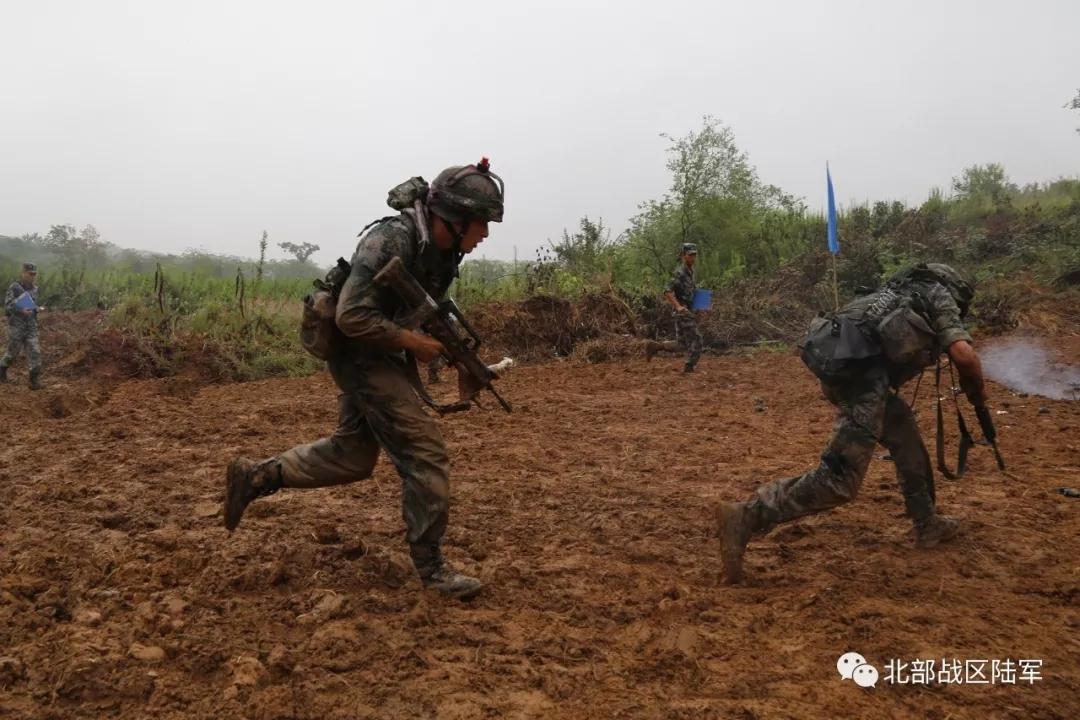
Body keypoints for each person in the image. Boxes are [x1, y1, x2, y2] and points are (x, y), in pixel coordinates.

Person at [224, 159, 505, 600]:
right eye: (482, 223)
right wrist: (413, 344)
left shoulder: (442, 249)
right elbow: (352, 315)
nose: (485, 235)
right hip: (357, 351)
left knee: (353, 456)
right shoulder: (392, 238)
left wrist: (451, 353)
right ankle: (432, 570)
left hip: (381, 349)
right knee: (424, 453)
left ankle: (257, 477)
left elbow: (423, 308)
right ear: (454, 218)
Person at [716, 263, 988, 583]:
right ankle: (746, 516)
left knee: (905, 437)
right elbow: (964, 355)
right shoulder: (939, 295)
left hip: (848, 372)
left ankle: (926, 522)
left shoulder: (896, 290)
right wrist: (977, 396)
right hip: (863, 383)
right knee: (839, 481)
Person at [645, 243, 705, 373]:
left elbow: (693, 290)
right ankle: (689, 368)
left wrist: (702, 306)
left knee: (681, 344)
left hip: (689, 311)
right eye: (690, 255)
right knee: (698, 340)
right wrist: (678, 307)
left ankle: (655, 346)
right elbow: (667, 290)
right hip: (683, 313)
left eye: (695, 255)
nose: (693, 258)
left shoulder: (691, 271)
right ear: (683, 256)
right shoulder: (680, 273)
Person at [1, 262, 46, 390]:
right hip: (17, 325)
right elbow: (8, 306)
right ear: (23, 273)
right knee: (12, 352)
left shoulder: (35, 289)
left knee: (35, 351)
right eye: (30, 274)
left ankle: (34, 380)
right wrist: (21, 310)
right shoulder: (15, 287)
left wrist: (38, 309)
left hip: (31, 326)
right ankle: (2, 369)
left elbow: (32, 305)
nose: (32, 276)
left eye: (34, 274)